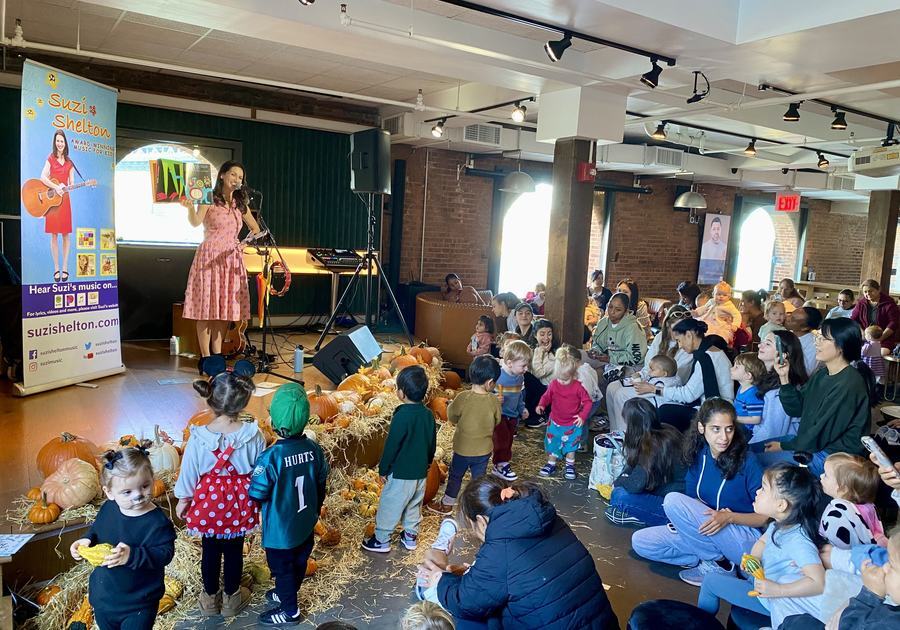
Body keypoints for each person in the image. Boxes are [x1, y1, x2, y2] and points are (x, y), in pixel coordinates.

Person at [419, 477, 619, 629]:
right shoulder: (547, 518)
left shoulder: (500, 548)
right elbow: (522, 572)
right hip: (602, 624)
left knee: (463, 616)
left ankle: (429, 582)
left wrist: (441, 581)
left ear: (481, 521)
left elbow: (466, 602)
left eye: (472, 526)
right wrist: (472, 573)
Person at [631, 398, 767, 585]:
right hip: (707, 531)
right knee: (641, 542)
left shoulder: (748, 461)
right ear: (702, 428)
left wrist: (729, 517)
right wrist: (687, 523)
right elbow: (693, 499)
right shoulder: (699, 454)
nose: (724, 437)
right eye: (716, 429)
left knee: (672, 500)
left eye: (729, 429)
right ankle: (711, 558)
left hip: (743, 537)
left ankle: (720, 565)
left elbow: (765, 518)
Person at [175, 373, 263, 616]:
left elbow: (189, 472)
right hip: (240, 502)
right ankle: (232, 598)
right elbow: (260, 471)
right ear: (244, 401)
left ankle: (209, 599)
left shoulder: (198, 438)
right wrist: (260, 501)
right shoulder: (253, 435)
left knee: (210, 550)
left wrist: (183, 499)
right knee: (235, 550)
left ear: (209, 400)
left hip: (209, 504)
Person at [697, 463, 826, 629]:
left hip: (770, 599)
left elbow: (818, 582)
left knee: (710, 582)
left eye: (763, 489)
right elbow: (763, 542)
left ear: (781, 505)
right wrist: (754, 558)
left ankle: (698, 625)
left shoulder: (798, 541)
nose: (757, 492)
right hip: (763, 583)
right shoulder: (779, 524)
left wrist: (778, 590)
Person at [70, 445, 176, 630]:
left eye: (145, 486)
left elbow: (165, 554)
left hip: (139, 603)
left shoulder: (157, 522)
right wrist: (87, 540)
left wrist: (132, 555)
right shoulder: (108, 509)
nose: (138, 495)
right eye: (127, 492)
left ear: (152, 479)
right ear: (109, 493)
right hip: (104, 597)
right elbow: (97, 530)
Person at [249, 384, 329, 627]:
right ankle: (288, 592)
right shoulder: (314, 449)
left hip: (280, 532)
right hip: (305, 522)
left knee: (282, 570)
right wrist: (316, 509)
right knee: (299, 562)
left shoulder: (270, 457)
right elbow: (322, 482)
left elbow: (257, 493)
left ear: (273, 421)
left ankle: (289, 611)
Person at [762, 317, 873, 476]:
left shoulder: (849, 383)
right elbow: (796, 409)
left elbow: (820, 433)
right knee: (749, 450)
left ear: (841, 346)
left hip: (832, 456)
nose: (816, 343)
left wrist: (784, 446)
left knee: (754, 462)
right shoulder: (823, 373)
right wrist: (784, 377)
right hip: (812, 443)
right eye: (817, 337)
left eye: (823, 339)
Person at [180, 161, 263, 374]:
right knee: (206, 309)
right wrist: (189, 208)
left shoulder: (239, 204)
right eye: (233, 175)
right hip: (209, 256)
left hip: (231, 259)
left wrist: (242, 244)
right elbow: (195, 222)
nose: (237, 179)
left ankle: (217, 357)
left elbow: (256, 228)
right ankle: (205, 358)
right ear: (223, 175)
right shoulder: (208, 197)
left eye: (240, 177)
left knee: (223, 311)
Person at [363, 365, 436, 553]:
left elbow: (392, 446)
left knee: (390, 504)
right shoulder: (428, 415)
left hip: (401, 473)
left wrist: (383, 469)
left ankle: (381, 540)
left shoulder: (401, 416)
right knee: (414, 504)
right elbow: (431, 442)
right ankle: (410, 536)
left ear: (401, 393)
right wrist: (428, 462)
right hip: (420, 472)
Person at [427, 356, 501, 516]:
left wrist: (451, 408)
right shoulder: (494, 401)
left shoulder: (462, 397)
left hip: (462, 449)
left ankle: (447, 505)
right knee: (478, 480)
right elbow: (497, 420)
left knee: (455, 476)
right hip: (483, 451)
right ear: (490, 382)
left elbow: (452, 417)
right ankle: (477, 508)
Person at [633, 318, 733, 431]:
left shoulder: (707, 357)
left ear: (689, 335)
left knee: (664, 411)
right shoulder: (707, 351)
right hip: (709, 405)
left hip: (717, 411)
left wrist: (654, 389)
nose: (679, 346)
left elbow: (688, 395)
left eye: (679, 340)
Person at [605, 304, 693, 431]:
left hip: (664, 387)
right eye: (674, 328)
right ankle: (614, 431)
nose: (678, 333)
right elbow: (649, 365)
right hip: (650, 378)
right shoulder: (660, 337)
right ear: (668, 325)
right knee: (612, 387)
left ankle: (625, 435)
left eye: (682, 329)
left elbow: (677, 377)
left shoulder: (687, 346)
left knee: (621, 395)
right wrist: (640, 376)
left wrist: (649, 384)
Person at [606, 399, 685, 527]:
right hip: (669, 492)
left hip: (673, 506)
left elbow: (635, 485)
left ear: (633, 425)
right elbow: (634, 469)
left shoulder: (652, 445)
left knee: (619, 496)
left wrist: (618, 482)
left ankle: (645, 517)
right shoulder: (666, 429)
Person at [536, 348, 592, 480]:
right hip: (555, 422)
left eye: (565, 380)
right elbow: (546, 396)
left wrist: (582, 416)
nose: (562, 382)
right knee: (553, 443)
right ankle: (551, 463)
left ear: (573, 375)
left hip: (572, 424)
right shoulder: (554, 384)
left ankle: (570, 466)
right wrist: (541, 404)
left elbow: (588, 402)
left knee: (571, 446)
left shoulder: (578, 387)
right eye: (560, 379)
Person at [753, 331, 809, 447]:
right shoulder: (767, 377)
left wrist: (749, 447)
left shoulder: (780, 390)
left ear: (783, 355)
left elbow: (772, 432)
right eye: (762, 342)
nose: (759, 345)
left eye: (768, 344)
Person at [818, 453, 886, 550]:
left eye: (826, 475)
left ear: (843, 488)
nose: (821, 476)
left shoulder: (836, 515)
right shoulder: (868, 505)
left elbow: (837, 549)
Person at [41, 129, 78, 283]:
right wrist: (56, 187)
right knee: (54, 234)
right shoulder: (50, 158)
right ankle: (56, 268)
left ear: (65, 143)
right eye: (57, 141)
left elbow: (72, 183)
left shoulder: (70, 163)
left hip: (65, 200)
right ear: (55, 142)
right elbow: (42, 177)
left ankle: (65, 267)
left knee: (66, 234)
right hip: (53, 201)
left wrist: (67, 187)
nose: (60, 143)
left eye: (62, 141)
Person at [493, 340, 532, 480]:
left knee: (509, 440)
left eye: (527, 365)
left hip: (513, 415)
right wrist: (494, 399)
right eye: (523, 365)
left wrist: (522, 408)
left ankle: (502, 462)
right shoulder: (499, 376)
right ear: (510, 363)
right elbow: (487, 393)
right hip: (500, 415)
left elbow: (519, 395)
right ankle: (500, 464)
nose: (526, 369)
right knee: (501, 440)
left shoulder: (519, 377)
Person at [588, 292, 648, 381]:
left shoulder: (633, 328)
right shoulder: (603, 322)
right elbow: (597, 342)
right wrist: (596, 351)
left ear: (626, 311)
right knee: (579, 360)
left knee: (594, 376)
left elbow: (636, 358)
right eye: (610, 307)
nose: (612, 312)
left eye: (618, 310)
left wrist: (610, 358)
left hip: (628, 366)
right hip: (607, 359)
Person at [852, 279, 900, 351]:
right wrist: (862, 333)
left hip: (884, 337)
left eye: (871, 291)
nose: (868, 294)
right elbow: (854, 319)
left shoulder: (889, 303)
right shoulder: (861, 303)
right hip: (865, 337)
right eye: (865, 292)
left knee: (881, 352)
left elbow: (893, 323)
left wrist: (880, 338)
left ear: (879, 289)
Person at [527, 319, 557, 425]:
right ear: (535, 335)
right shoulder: (533, 350)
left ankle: (541, 416)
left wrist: (541, 351)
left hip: (549, 390)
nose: (546, 338)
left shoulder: (554, 354)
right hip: (538, 389)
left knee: (528, 378)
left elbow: (538, 373)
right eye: (542, 334)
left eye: (549, 334)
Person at [694, 281, 742, 345]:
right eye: (718, 294)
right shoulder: (711, 301)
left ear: (729, 296)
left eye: (724, 295)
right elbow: (704, 308)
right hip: (708, 320)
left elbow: (737, 315)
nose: (721, 297)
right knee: (701, 329)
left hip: (721, 325)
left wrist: (735, 325)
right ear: (713, 294)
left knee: (718, 335)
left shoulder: (729, 306)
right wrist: (697, 312)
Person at [731, 353, 767, 439]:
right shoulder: (742, 387)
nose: (731, 369)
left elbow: (756, 419)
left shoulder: (752, 394)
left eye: (736, 367)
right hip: (740, 424)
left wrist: (735, 418)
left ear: (748, 375)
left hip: (747, 430)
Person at [786, 306, 822, 376]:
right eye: (790, 314)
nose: (787, 318)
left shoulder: (813, 346)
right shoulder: (787, 333)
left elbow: (806, 372)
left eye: (793, 319)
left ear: (805, 328)